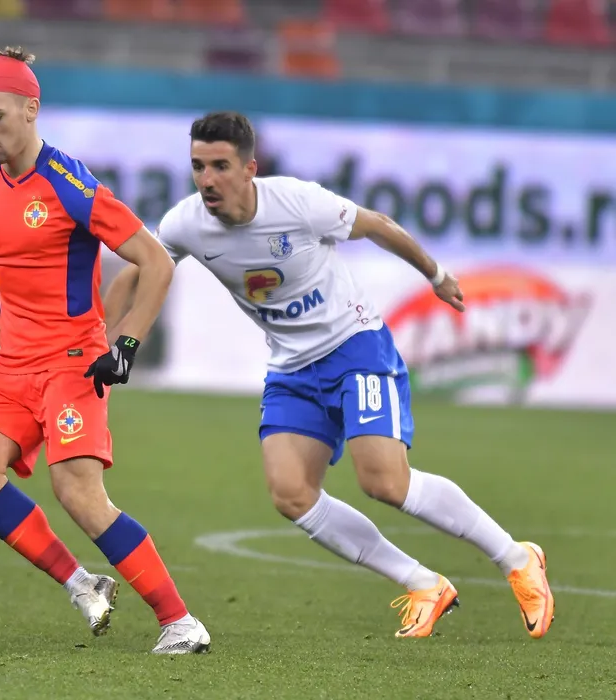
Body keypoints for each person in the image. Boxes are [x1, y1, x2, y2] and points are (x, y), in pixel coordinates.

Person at [103, 111, 554, 639]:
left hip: (355, 346)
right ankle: (423, 583)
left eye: (220, 166)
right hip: (291, 368)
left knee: (385, 482)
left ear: (249, 168)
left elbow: (378, 225)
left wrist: (435, 274)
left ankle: (516, 558)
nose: (207, 180)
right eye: (198, 166)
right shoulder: (185, 223)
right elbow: (139, 269)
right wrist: (102, 339)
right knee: (291, 492)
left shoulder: (297, 202)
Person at [0, 47, 210, 655]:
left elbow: (155, 262)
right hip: (12, 368)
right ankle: (82, 583)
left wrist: (126, 344)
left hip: (72, 363)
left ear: (30, 110)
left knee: (78, 494)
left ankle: (181, 622)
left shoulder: (70, 183)